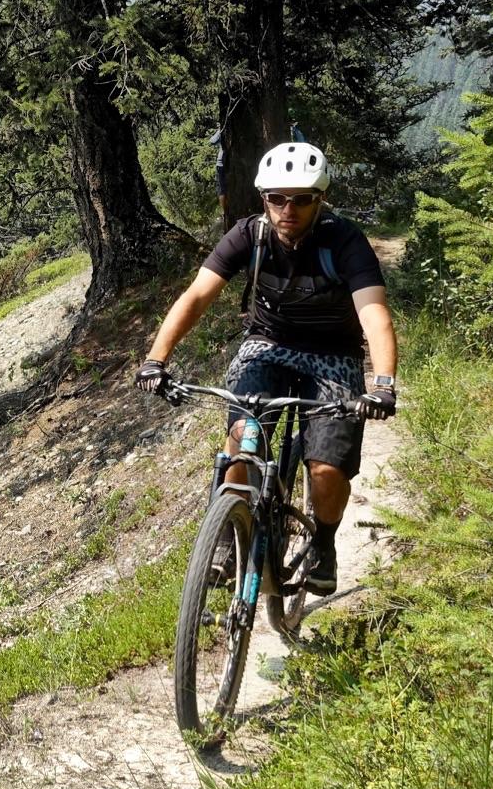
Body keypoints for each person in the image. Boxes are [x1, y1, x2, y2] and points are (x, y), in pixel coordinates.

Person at [133, 142, 397, 595]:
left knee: (326, 470)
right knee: (243, 441)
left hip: (333, 355)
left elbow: (373, 312)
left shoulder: (344, 241)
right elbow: (197, 296)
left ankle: (325, 543)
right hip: (266, 345)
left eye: (301, 199)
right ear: (263, 198)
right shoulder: (249, 235)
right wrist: (156, 360)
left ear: (321, 199)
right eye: (277, 197)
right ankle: (230, 537)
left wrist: (384, 384)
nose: (287, 209)